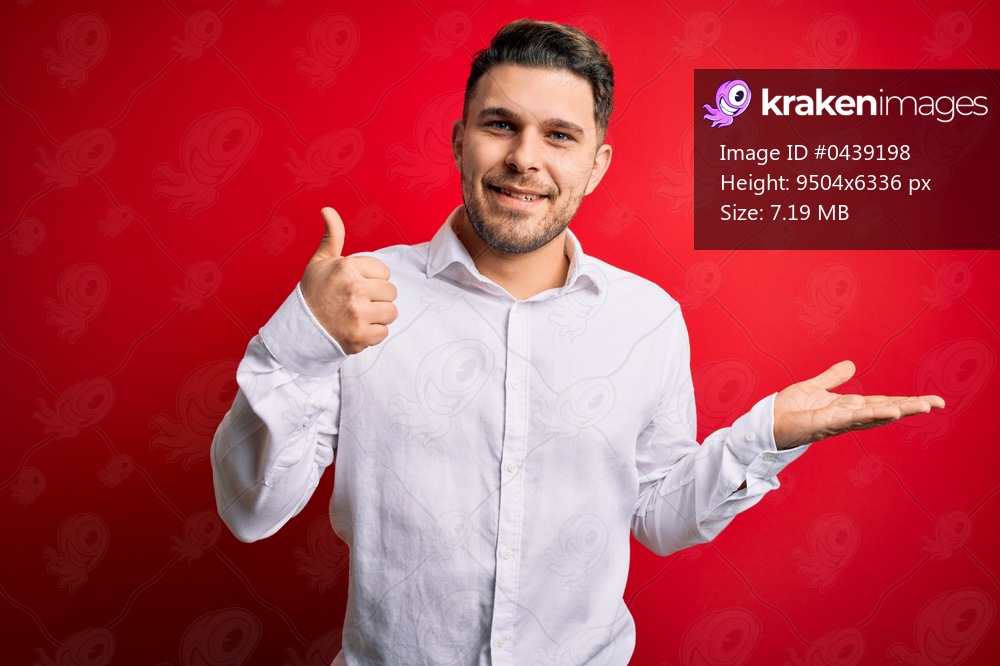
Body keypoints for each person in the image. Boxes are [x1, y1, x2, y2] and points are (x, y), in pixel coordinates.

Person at [211, 19, 943, 665]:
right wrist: (301, 340)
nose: (525, 158)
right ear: (460, 141)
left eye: (559, 135)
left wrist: (765, 438)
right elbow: (251, 510)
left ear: (597, 165)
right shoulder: (354, 300)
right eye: (501, 125)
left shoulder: (646, 319)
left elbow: (659, 519)